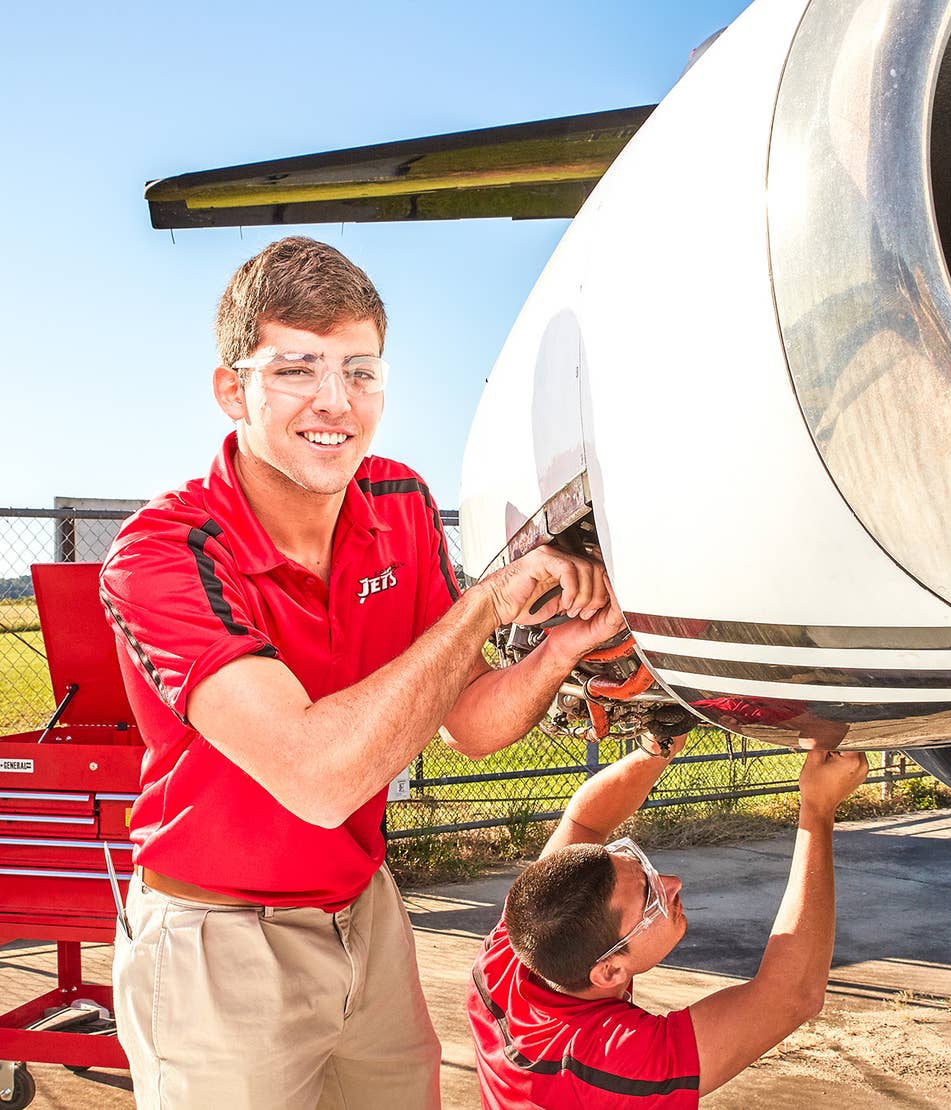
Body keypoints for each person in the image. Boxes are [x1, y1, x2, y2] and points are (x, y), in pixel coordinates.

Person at [99, 236, 624, 1110]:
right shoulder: (166, 551)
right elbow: (319, 777)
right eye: (298, 370)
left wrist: (563, 649)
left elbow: (470, 724)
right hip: (219, 939)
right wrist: (484, 606)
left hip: (364, 912)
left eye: (362, 371)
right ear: (235, 389)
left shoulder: (400, 501)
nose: (336, 403)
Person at [468, 729, 869, 1108]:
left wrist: (657, 748)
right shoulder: (613, 1062)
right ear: (609, 972)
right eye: (652, 901)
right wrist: (817, 810)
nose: (674, 883)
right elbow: (789, 995)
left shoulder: (512, 950)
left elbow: (585, 823)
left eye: (646, 872)